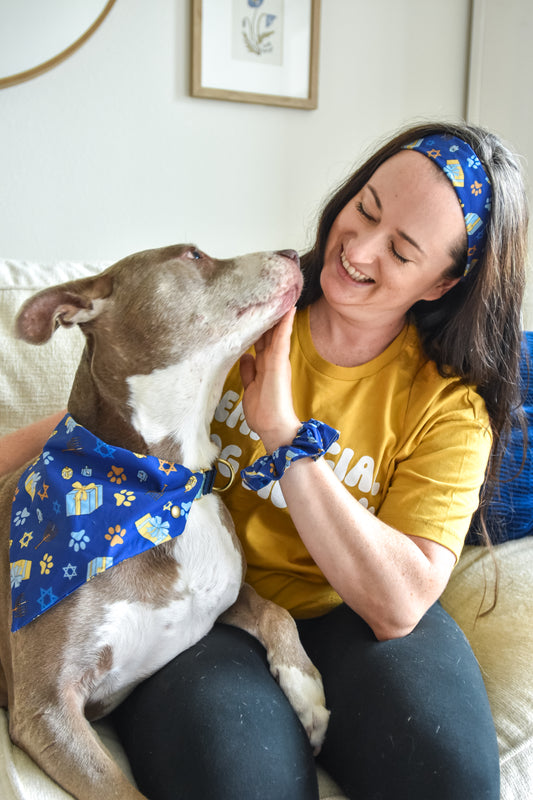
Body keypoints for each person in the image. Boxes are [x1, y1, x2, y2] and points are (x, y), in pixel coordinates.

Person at [1, 121, 528, 799]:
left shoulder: (447, 407)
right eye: (363, 208)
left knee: (447, 778)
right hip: (211, 615)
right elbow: (99, 428)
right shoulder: (241, 315)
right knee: (240, 782)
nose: (360, 248)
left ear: (441, 281)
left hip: (351, 615)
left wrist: (281, 433)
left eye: (401, 249)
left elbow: (396, 606)